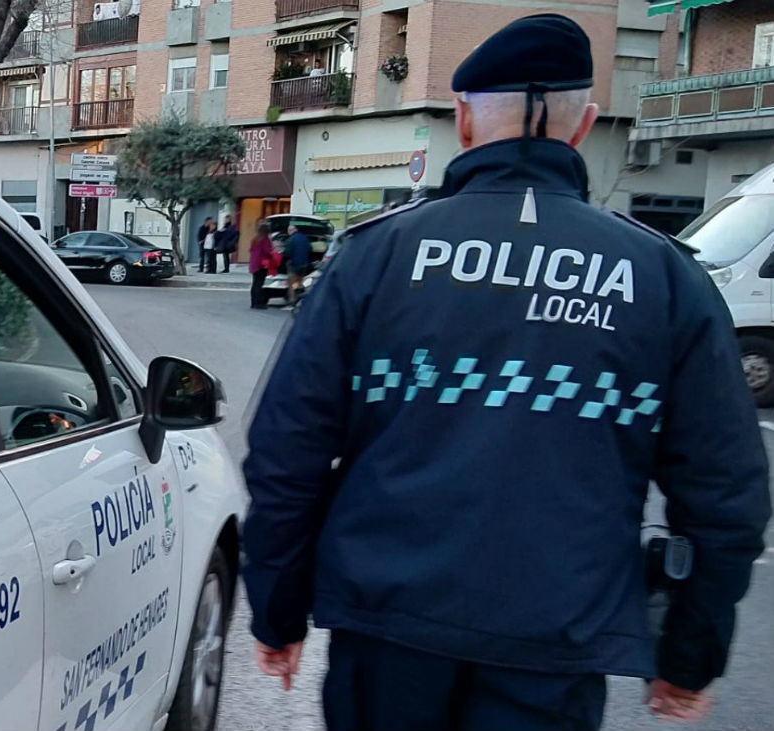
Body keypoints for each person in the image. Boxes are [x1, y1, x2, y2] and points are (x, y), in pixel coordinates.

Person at [242, 14, 770, 731]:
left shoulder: (376, 257)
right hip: (556, 643)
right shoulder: (662, 276)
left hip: (389, 631)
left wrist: (278, 611)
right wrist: (689, 652)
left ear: (462, 121)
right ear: (583, 126)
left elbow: (285, 453)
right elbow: (725, 492)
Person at [284, 224, 312, 306]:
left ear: (290, 231)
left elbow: (287, 253)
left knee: (291, 282)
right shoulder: (305, 238)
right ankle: (299, 296)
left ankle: (292, 299)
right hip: (305, 264)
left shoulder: (290, 239)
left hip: (295, 264)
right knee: (299, 281)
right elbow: (310, 249)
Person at [248, 220, 274, 310]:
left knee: (255, 283)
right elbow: (267, 252)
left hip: (254, 264)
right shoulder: (265, 240)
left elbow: (251, 250)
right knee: (259, 284)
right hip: (262, 264)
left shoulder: (255, 239)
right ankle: (259, 303)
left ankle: (253, 302)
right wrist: (272, 254)